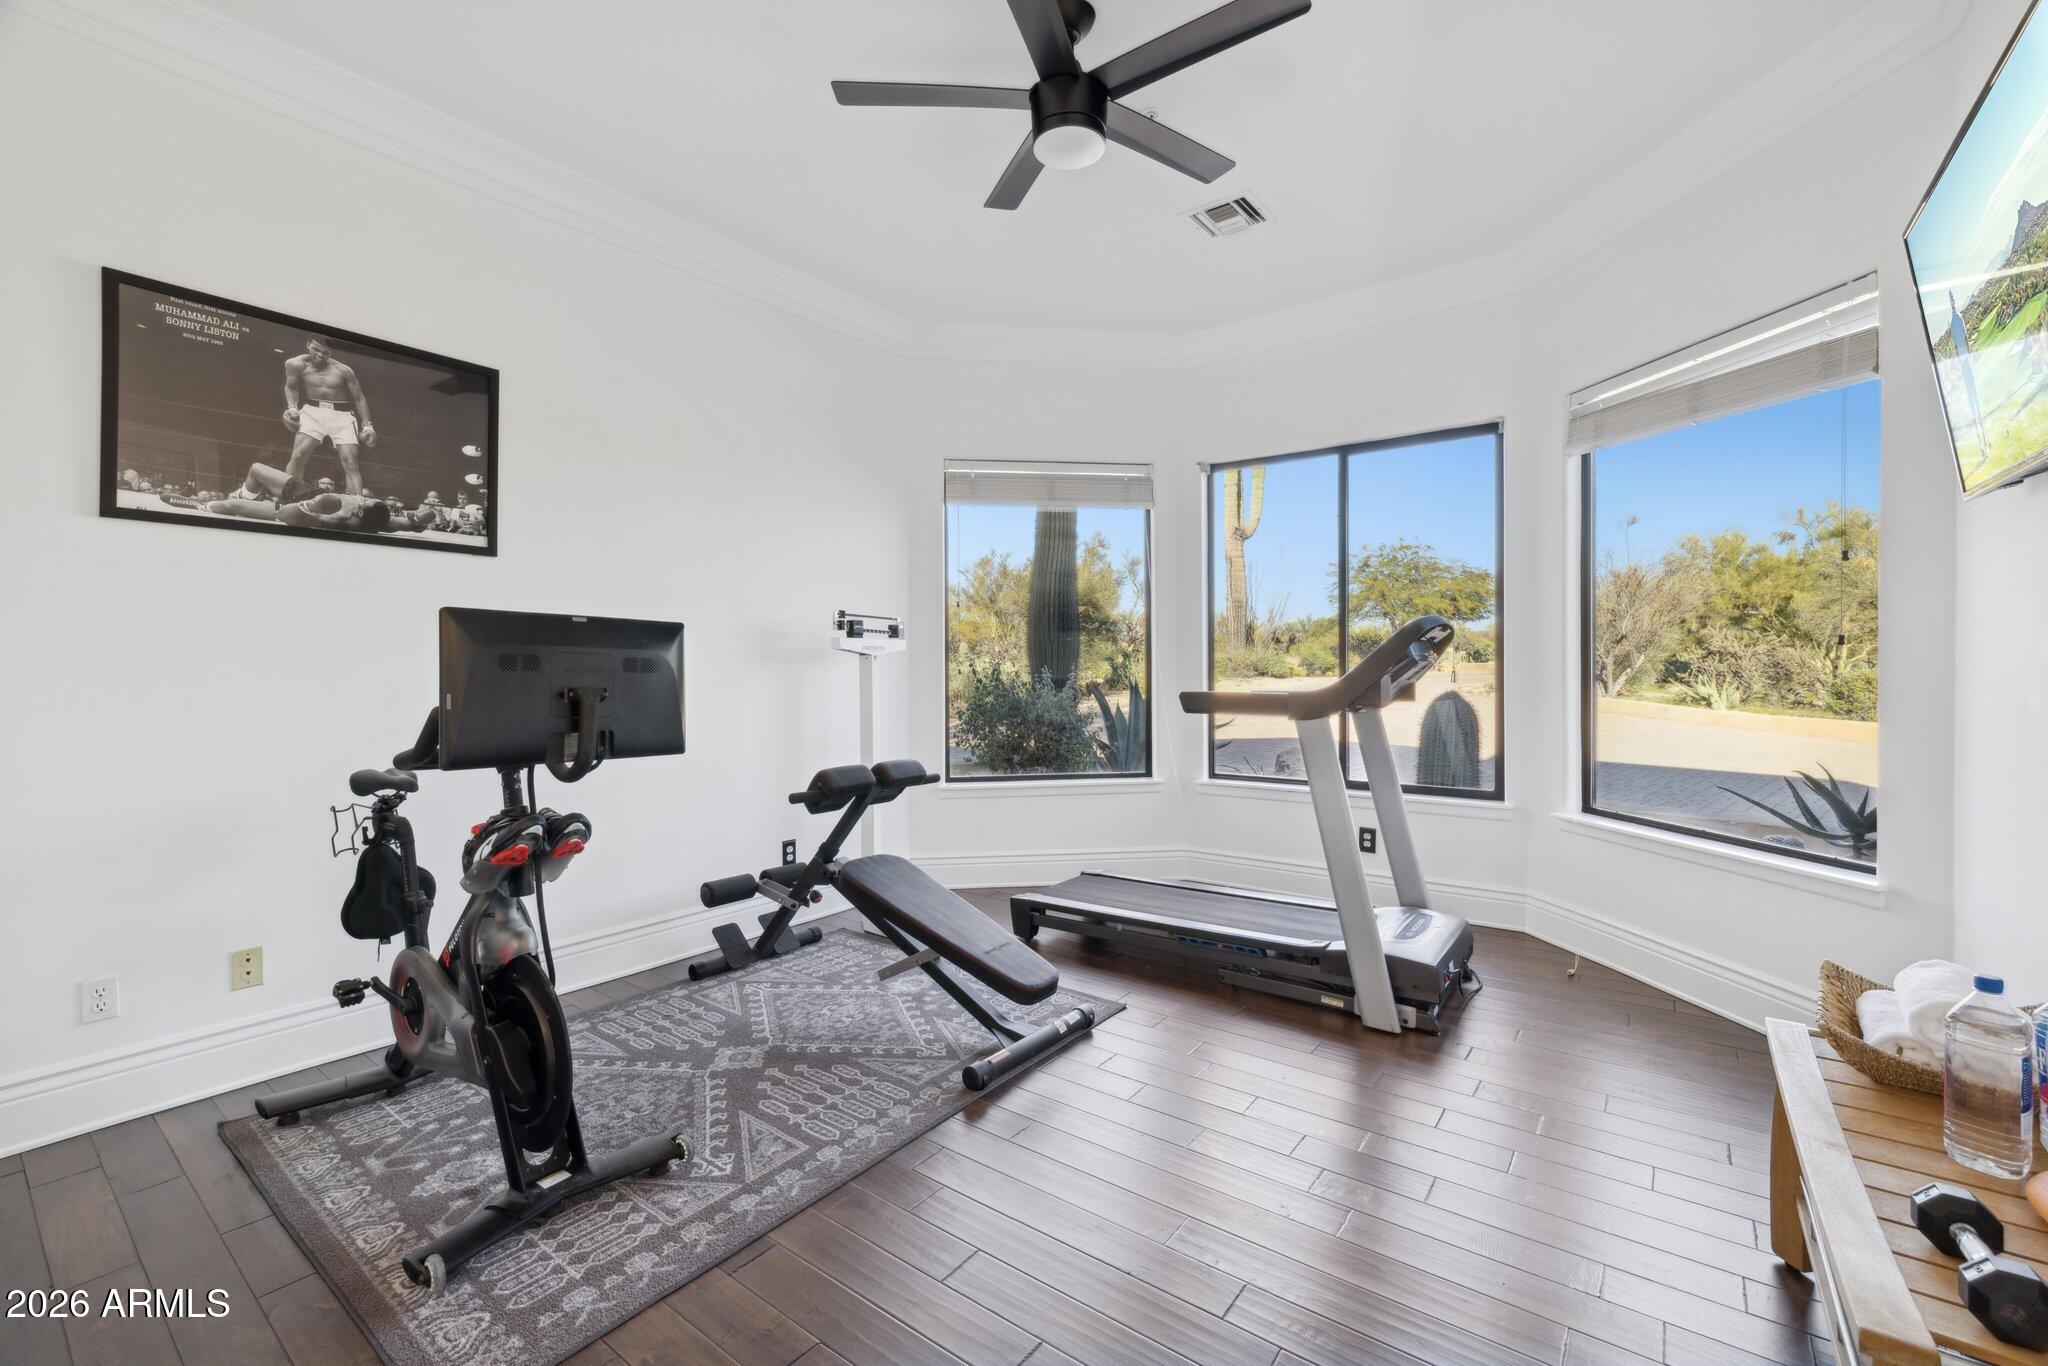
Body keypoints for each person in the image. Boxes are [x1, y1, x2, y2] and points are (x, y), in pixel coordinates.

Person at [282, 335, 376, 495]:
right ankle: (288, 498)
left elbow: (359, 398)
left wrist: (368, 425)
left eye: (325, 353)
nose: (320, 355)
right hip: (312, 411)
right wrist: (292, 407)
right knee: (298, 456)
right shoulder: (295, 364)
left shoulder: (343, 370)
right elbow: (291, 387)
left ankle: (357, 504)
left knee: (350, 462)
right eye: (316, 350)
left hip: (342, 415)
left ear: (330, 352)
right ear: (307, 345)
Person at [206, 461, 394, 534]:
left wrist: (308, 505)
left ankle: (203, 507)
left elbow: (283, 515)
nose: (359, 498)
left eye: (363, 502)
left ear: (360, 512)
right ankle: (242, 496)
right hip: (307, 494)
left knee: (230, 506)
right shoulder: (381, 522)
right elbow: (413, 523)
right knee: (255, 468)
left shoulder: (333, 520)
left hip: (295, 508)